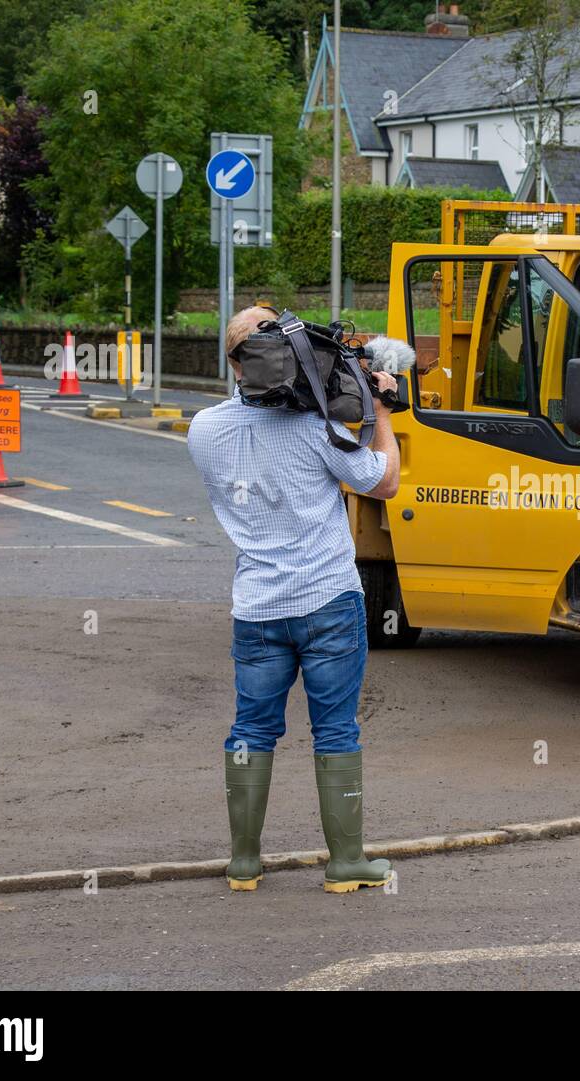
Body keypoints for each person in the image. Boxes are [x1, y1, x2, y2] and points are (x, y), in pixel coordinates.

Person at [186, 305, 400, 894]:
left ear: (235, 364)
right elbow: (382, 481)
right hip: (329, 599)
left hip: (256, 608)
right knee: (336, 729)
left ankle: (244, 864)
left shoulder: (203, 431)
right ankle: (346, 864)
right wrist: (379, 409)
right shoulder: (316, 430)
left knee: (251, 729)